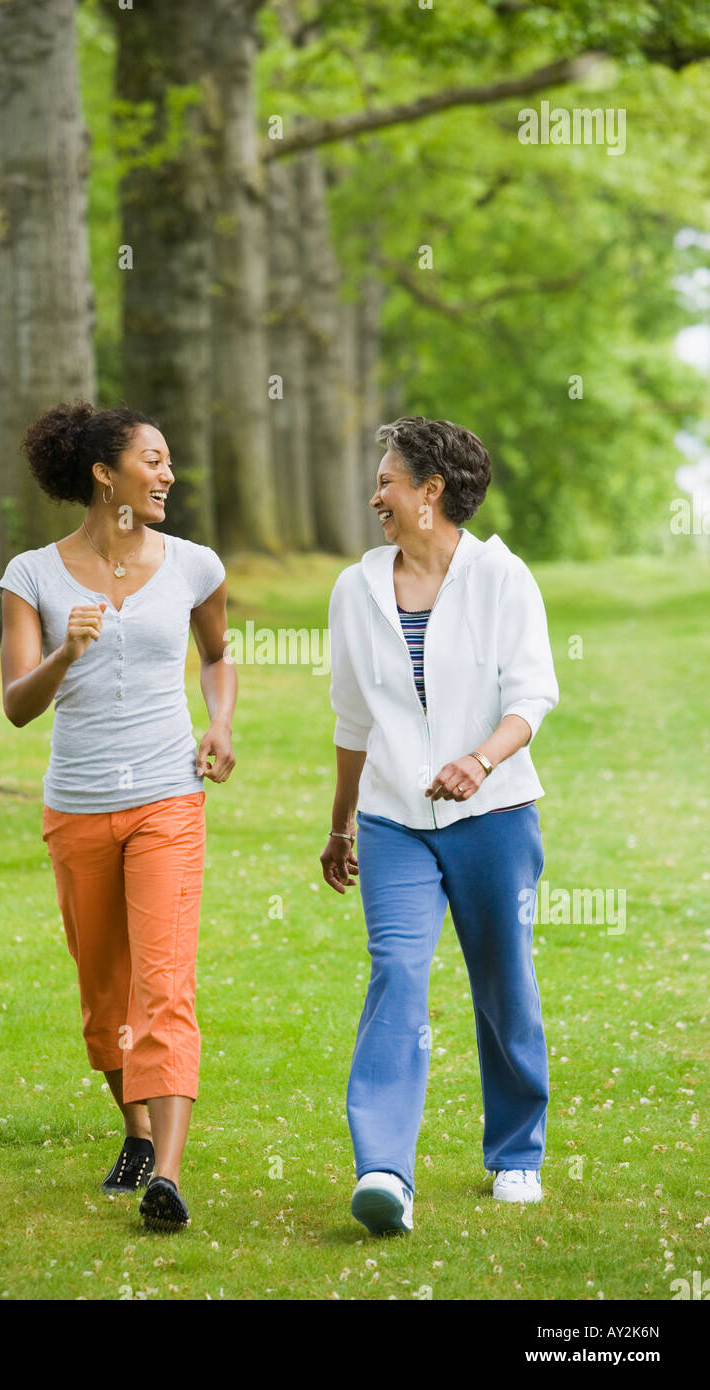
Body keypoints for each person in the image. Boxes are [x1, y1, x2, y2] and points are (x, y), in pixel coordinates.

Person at [0, 401, 236, 1234]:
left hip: (169, 797)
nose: (169, 474)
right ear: (106, 474)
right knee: (106, 1003)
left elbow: (217, 657)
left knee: (164, 985)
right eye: (154, 459)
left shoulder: (194, 564)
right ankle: (135, 1133)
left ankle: (167, 1177)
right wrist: (67, 650)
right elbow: (17, 707)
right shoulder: (32, 575)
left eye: (170, 461)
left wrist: (221, 723)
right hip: (79, 807)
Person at [321, 415, 559, 1236]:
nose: (376, 494)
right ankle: (385, 1167)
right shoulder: (356, 589)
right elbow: (352, 719)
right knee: (397, 972)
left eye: (389, 480)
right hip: (393, 820)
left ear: (432, 491)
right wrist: (340, 826)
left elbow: (532, 695)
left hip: (492, 814)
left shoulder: (501, 578)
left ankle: (517, 1153)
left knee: (503, 982)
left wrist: (479, 761)